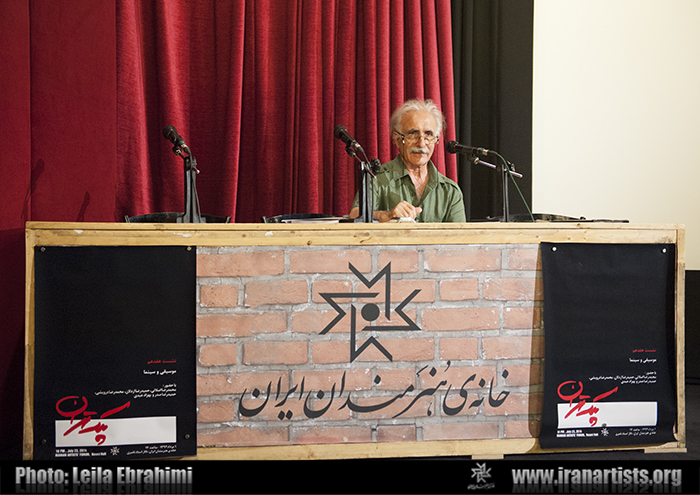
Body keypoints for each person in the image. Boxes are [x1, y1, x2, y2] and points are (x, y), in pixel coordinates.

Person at [348, 99, 466, 223]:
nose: (421, 143)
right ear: (397, 139)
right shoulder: (376, 178)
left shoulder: (450, 191)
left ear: (436, 140)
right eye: (413, 134)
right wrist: (388, 215)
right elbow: (355, 215)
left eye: (428, 134)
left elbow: (461, 234)